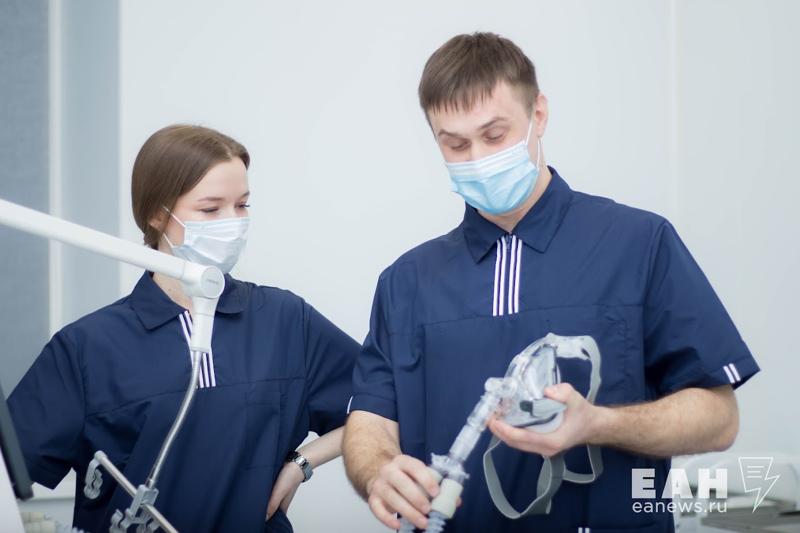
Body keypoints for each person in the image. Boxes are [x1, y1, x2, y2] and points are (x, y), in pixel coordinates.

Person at [342, 32, 760, 532]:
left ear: (538, 114)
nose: (477, 160)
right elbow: (370, 419)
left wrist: (599, 423)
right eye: (455, 144)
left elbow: (719, 419)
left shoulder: (638, 245)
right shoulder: (407, 282)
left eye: (494, 135)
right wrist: (378, 470)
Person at [9, 124, 359, 532]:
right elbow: (12, 466)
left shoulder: (283, 320)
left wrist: (302, 463)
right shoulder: (88, 347)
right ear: (157, 214)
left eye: (242, 205)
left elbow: (382, 402)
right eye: (211, 210)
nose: (233, 222)